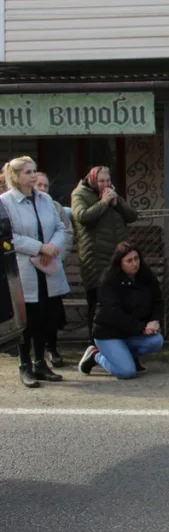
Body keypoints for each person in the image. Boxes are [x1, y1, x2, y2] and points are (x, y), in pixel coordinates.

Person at [1, 157, 70, 388]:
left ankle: (41, 363)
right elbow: (9, 237)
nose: (33, 175)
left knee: (44, 318)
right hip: (24, 269)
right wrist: (40, 247)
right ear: (16, 176)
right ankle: (25, 366)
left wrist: (53, 246)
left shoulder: (45, 199)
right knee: (26, 320)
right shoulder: (6, 202)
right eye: (28, 172)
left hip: (47, 267)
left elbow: (61, 226)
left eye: (34, 171)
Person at [71, 166, 139, 350]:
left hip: (117, 259)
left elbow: (132, 216)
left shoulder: (113, 194)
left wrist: (117, 203)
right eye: (101, 181)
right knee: (99, 305)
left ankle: (120, 347)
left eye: (108, 180)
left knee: (121, 303)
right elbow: (82, 216)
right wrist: (103, 203)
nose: (105, 184)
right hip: (96, 260)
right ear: (92, 179)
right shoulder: (80, 194)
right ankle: (95, 347)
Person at [78, 242, 164, 379]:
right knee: (126, 372)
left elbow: (158, 302)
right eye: (129, 261)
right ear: (120, 263)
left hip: (132, 332)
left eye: (136, 259)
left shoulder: (147, 276)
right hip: (109, 334)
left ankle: (125, 356)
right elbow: (113, 313)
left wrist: (154, 320)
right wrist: (142, 327)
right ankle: (96, 356)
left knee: (156, 341)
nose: (134, 263)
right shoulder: (109, 280)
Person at [34, 172, 71, 350]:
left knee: (53, 312)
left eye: (45, 186)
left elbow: (66, 232)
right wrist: (39, 251)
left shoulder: (55, 207)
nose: (42, 189)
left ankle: (52, 350)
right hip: (31, 264)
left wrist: (56, 254)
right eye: (39, 185)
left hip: (53, 264)